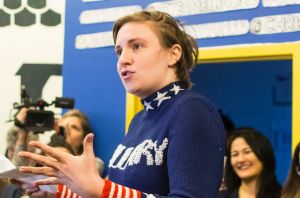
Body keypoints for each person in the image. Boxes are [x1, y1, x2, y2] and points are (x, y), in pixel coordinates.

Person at [18, 10, 225, 198]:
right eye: (119, 51)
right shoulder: (139, 120)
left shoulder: (192, 110)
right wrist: (60, 192)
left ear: (173, 54)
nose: (123, 59)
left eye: (137, 46)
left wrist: (100, 189)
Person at [217, 127, 281, 198]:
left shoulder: (285, 195)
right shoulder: (220, 196)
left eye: (247, 152)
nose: (241, 159)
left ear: (263, 154)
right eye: (235, 154)